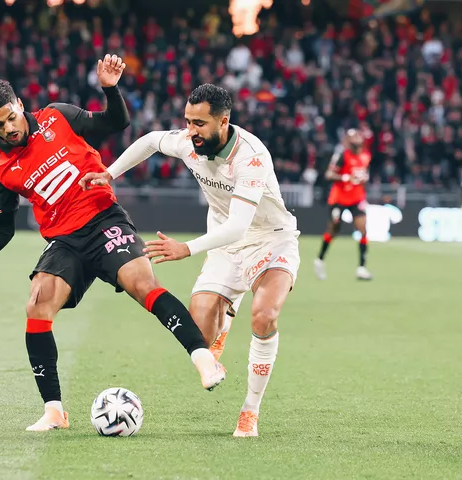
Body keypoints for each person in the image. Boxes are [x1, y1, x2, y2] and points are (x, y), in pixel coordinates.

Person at [0, 55, 225, 432]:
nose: (9, 128)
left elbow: (115, 122)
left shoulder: (58, 117)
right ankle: (54, 411)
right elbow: (2, 231)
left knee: (141, 283)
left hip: (104, 219)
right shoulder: (1, 171)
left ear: (19, 104)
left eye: (11, 118)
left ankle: (203, 358)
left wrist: (110, 90)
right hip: (64, 241)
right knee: (37, 304)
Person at [81, 83, 300, 437]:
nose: (191, 131)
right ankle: (223, 323)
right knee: (200, 336)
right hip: (224, 245)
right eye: (187, 121)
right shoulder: (188, 142)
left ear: (223, 121)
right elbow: (151, 140)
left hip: (269, 240)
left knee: (264, 315)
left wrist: (188, 248)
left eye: (199, 123)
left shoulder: (251, 157)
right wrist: (110, 173)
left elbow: (239, 226)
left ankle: (250, 411)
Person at [315, 128, 373, 280]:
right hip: (339, 198)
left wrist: (364, 181)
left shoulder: (366, 156)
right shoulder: (342, 155)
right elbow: (329, 174)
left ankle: (361, 268)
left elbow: (365, 175)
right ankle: (320, 259)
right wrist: (346, 178)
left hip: (357, 198)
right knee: (333, 230)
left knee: (363, 229)